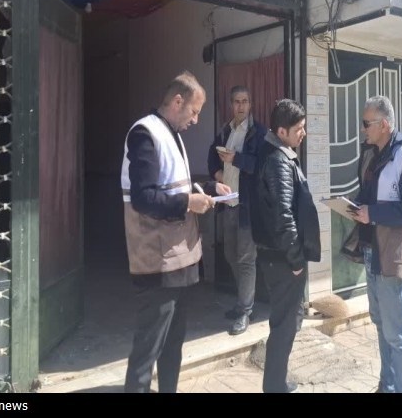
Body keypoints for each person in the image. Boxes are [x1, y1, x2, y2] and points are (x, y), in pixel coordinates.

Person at [120, 70, 232, 393]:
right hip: (157, 261)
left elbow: (175, 186)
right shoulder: (145, 134)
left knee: (173, 345)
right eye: (194, 111)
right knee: (148, 349)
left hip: (180, 259)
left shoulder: (172, 134)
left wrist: (208, 189)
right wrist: (188, 203)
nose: (196, 120)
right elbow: (144, 198)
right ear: (178, 101)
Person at [350, 95, 402, 394]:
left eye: (366, 123)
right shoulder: (374, 154)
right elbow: (370, 196)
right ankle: (388, 385)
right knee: (381, 323)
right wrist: (353, 206)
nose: (363, 129)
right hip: (372, 251)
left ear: (383, 124)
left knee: (397, 332)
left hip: (391, 255)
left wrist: (373, 213)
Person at [251, 99, 320, 393]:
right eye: (299, 128)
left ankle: (276, 382)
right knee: (284, 325)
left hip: (279, 256)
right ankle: (275, 386)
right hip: (282, 259)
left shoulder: (277, 154)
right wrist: (295, 259)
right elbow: (283, 215)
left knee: (287, 323)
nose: (303, 133)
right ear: (281, 131)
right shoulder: (278, 161)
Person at [207, 85, 267, 335]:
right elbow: (212, 156)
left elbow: (262, 166)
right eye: (236, 101)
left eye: (245, 101)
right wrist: (216, 173)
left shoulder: (259, 133)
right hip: (228, 204)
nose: (241, 106)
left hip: (247, 207)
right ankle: (245, 302)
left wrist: (236, 159)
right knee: (230, 254)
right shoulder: (225, 130)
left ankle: (244, 310)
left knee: (246, 259)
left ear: (250, 104)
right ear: (231, 105)